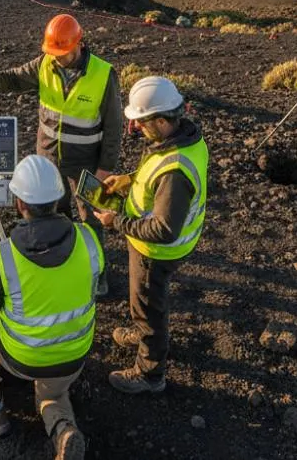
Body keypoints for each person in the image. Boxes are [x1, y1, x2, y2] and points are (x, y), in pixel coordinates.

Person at [0, 13, 122, 296]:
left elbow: (113, 127)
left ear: (78, 44)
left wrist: (105, 169)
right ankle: (60, 265)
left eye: (62, 53)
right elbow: (14, 79)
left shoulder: (102, 74)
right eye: (54, 53)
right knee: (55, 215)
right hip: (49, 159)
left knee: (91, 220)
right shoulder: (44, 64)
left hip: (86, 162)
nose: (57, 58)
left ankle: (97, 275)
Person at [0, 155, 102, 459]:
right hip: (75, 354)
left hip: (22, 356)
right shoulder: (89, 238)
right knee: (52, 393)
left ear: (19, 203)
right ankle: (63, 429)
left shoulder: (4, 255)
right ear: (59, 197)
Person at [92, 76, 207, 394]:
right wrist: (129, 181)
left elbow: (164, 229)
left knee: (148, 308)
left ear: (160, 119)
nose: (136, 130)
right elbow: (157, 174)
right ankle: (141, 332)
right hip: (158, 245)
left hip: (156, 252)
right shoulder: (184, 139)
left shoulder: (174, 171)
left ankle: (150, 373)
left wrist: (117, 222)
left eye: (141, 123)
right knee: (143, 304)